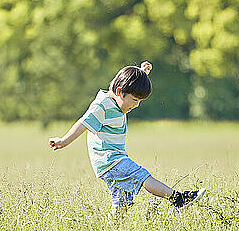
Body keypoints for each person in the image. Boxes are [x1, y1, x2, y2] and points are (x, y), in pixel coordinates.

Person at [49, 61, 206, 214]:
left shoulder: (119, 98)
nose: (136, 105)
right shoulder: (101, 106)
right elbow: (82, 124)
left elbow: (129, 82)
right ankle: (178, 199)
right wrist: (63, 141)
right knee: (142, 176)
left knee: (122, 203)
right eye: (135, 100)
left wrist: (142, 72)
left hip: (111, 162)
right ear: (119, 92)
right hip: (110, 160)